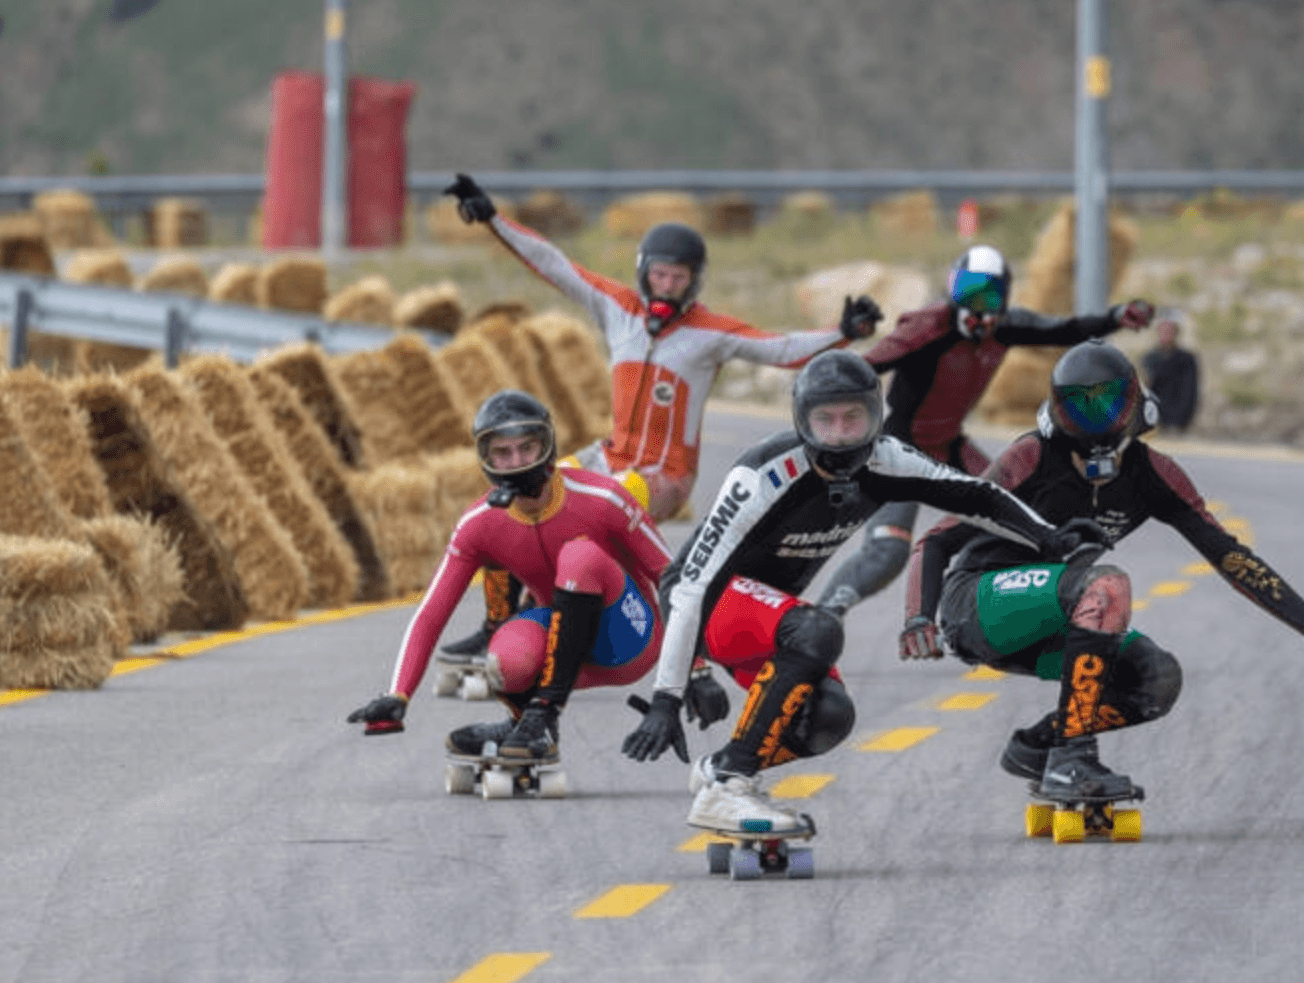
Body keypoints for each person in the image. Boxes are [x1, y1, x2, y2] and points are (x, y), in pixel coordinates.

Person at [619, 350, 1102, 834]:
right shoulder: (763, 476)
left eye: (854, 418)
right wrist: (671, 694)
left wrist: (1050, 538)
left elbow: (977, 495)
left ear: (876, 415)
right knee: (818, 630)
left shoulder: (886, 458)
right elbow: (690, 586)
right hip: (704, 604)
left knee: (827, 717)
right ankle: (730, 784)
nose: (841, 435)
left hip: (765, 614)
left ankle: (721, 769)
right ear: (801, 421)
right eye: (825, 420)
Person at [900, 342, 1304, 801]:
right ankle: (1073, 759)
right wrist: (918, 616)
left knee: (1155, 680)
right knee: (1107, 585)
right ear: (1055, 411)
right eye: (1079, 407)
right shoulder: (1030, 456)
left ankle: (1038, 748)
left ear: (1135, 405)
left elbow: (1232, 559)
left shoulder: (1153, 473)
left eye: (1107, 404)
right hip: (978, 604)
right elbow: (937, 538)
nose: (1095, 420)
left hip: (1052, 616)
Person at [433, 175, 882, 667]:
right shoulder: (618, 309)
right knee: (516, 495)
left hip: (664, 476)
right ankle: (497, 627)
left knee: (590, 522)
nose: (667, 286)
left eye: (679, 278)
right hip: (608, 456)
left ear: (695, 281)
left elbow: (780, 348)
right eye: (660, 275)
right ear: (643, 272)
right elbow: (555, 265)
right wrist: (493, 219)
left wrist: (842, 333)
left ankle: (570, 634)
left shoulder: (709, 333)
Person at [345, 390, 725, 768]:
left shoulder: (603, 497)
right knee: (502, 660)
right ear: (486, 459)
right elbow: (431, 614)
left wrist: (696, 670)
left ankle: (542, 711)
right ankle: (527, 727)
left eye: (527, 448)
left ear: (548, 445)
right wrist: (398, 695)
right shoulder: (479, 523)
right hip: (563, 644)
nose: (517, 461)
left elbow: (673, 579)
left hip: (631, 636)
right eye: (503, 452)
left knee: (579, 556)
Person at [811, 243, 1156, 617]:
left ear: (1003, 300)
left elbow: (1065, 329)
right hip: (898, 448)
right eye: (966, 291)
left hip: (948, 444)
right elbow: (863, 368)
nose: (976, 306)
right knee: (887, 551)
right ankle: (824, 615)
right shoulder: (927, 326)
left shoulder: (1005, 327)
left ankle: (1021, 609)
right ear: (951, 289)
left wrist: (1115, 317)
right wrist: (827, 404)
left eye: (987, 295)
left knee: (1029, 514)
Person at [1138, 310, 1199, 434]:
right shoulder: (1149, 358)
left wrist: (1179, 422)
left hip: (1176, 422)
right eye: (1163, 330)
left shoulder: (1186, 360)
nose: (1166, 334)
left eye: (1169, 331)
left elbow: (1189, 393)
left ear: (1176, 333)